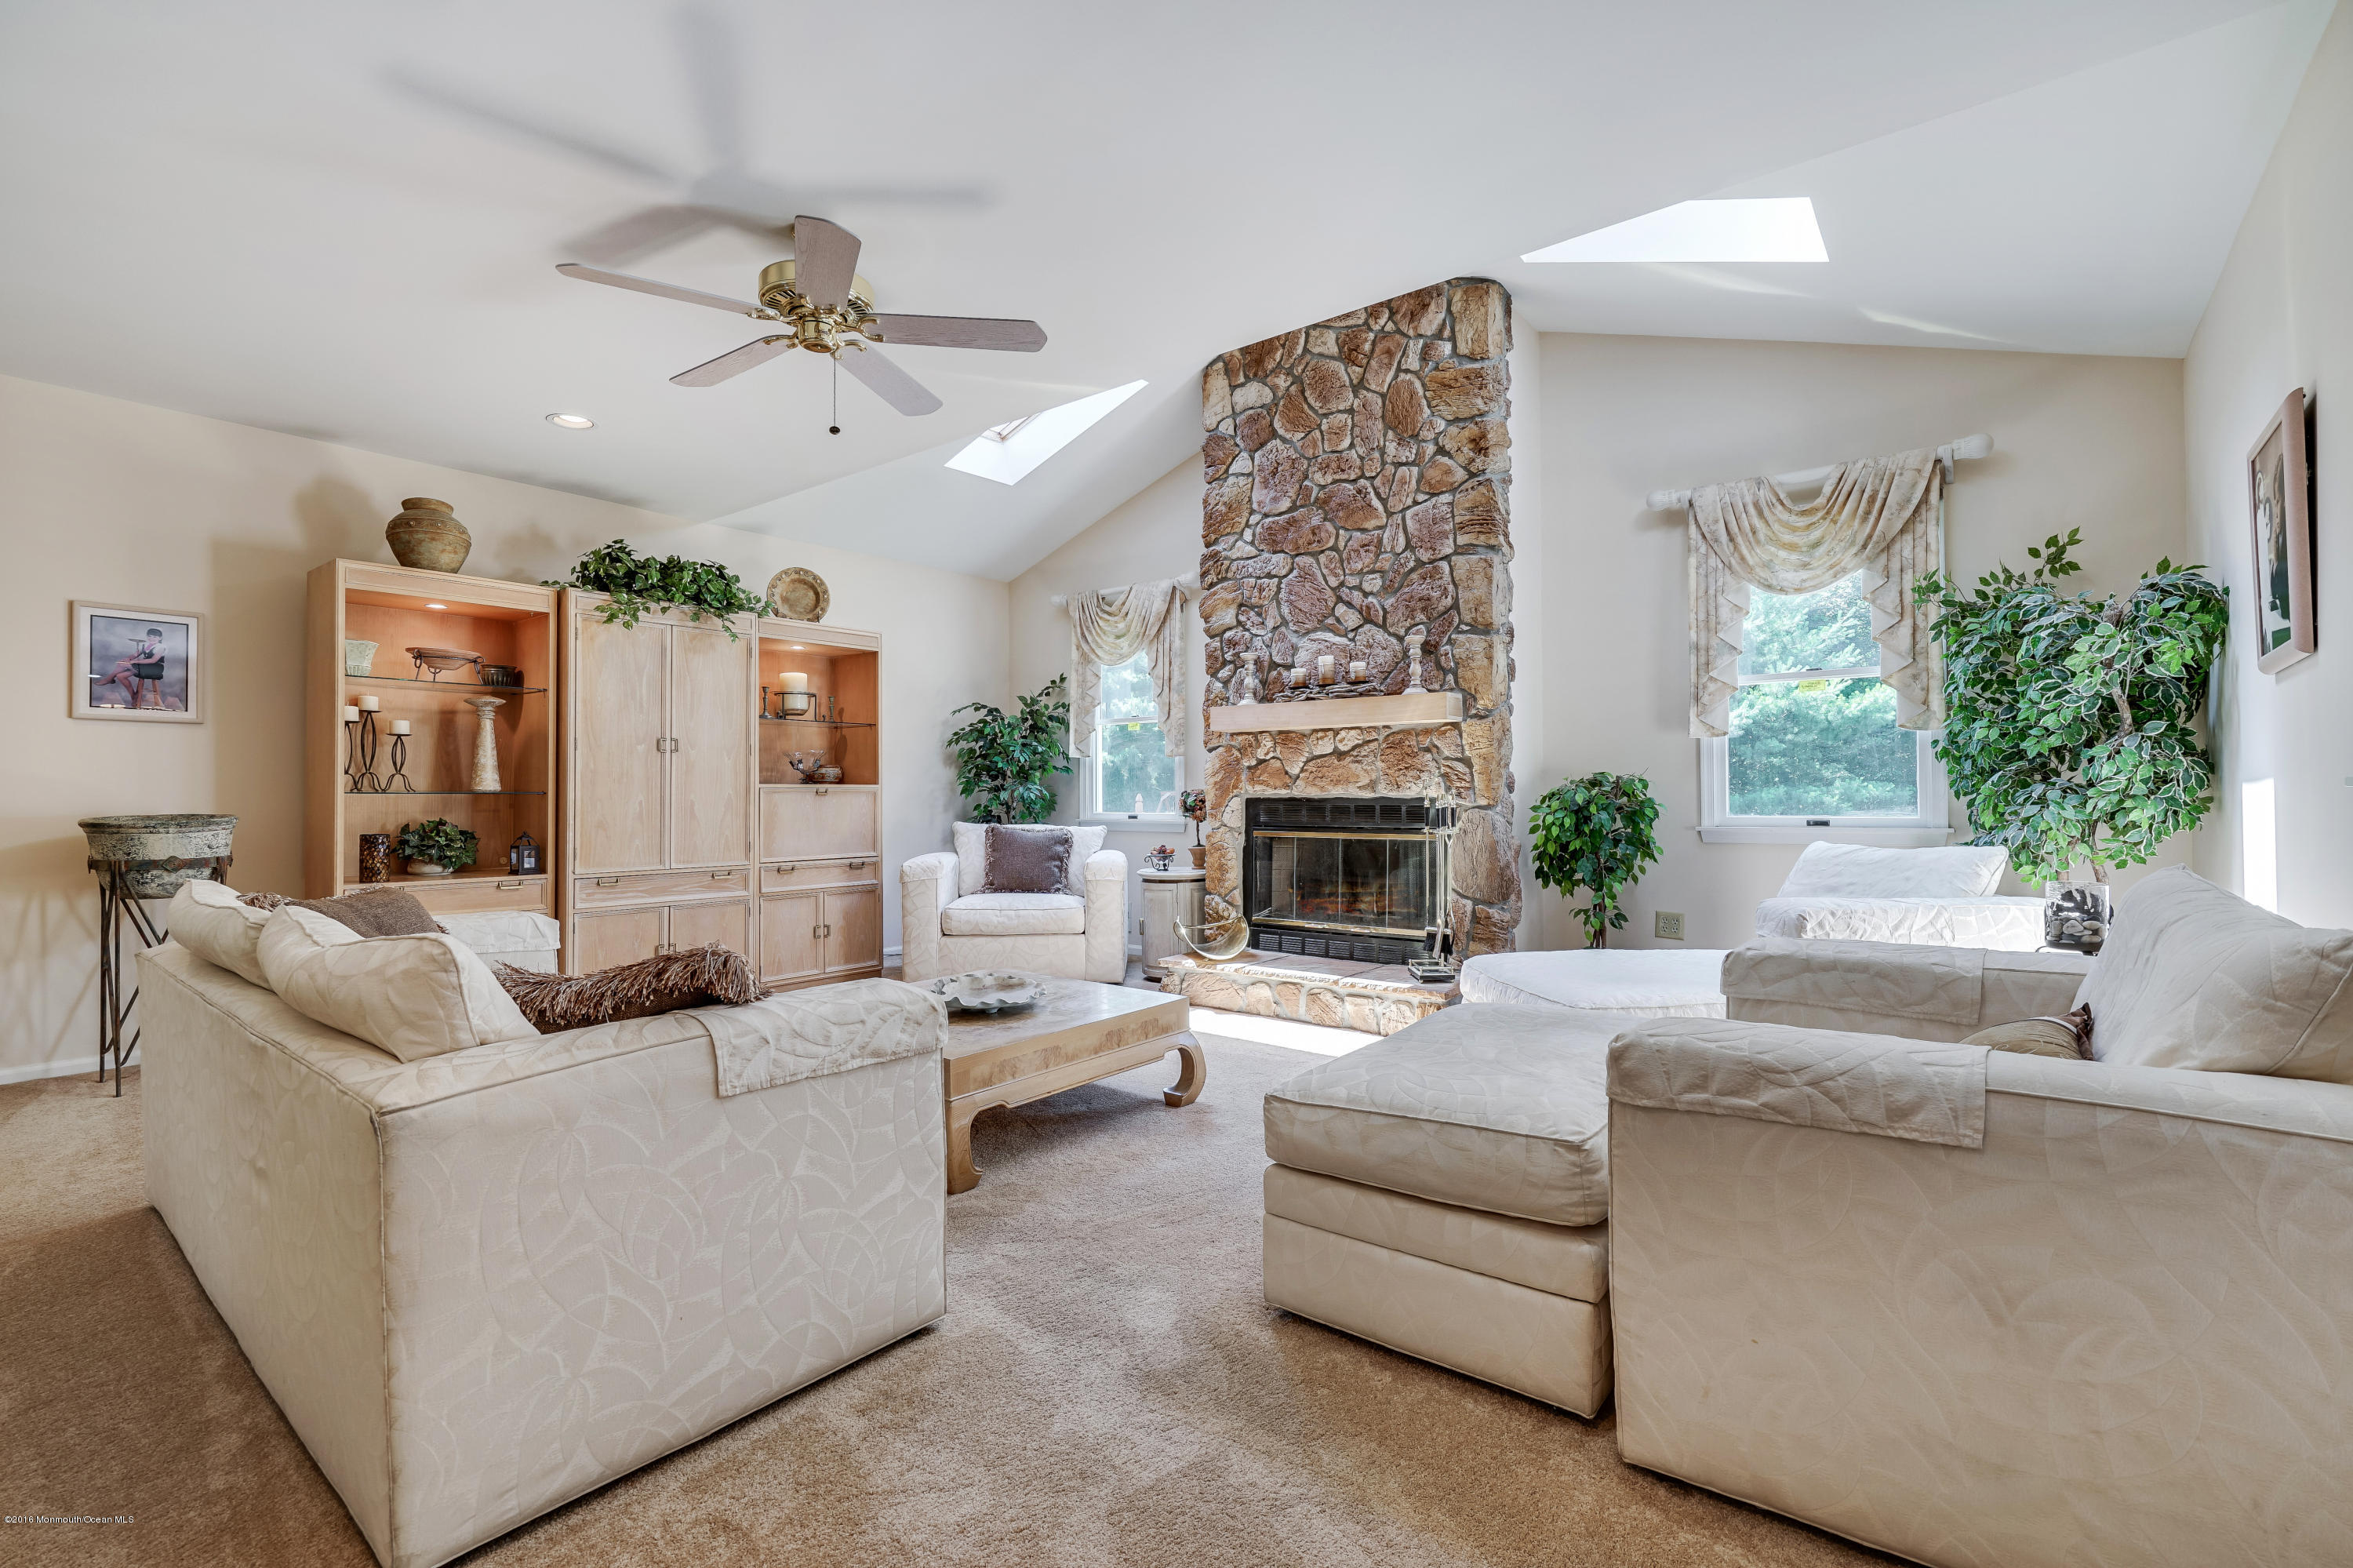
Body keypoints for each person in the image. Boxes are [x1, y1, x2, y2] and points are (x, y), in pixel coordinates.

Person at [100, 626, 167, 708]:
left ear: (160, 638)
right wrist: (129, 658)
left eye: (154, 637)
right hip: (144, 666)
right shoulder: (147, 645)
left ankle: (109, 679)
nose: (151, 638)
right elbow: (135, 655)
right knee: (120, 676)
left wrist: (134, 661)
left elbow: (153, 660)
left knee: (121, 664)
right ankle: (134, 697)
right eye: (149, 636)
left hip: (155, 668)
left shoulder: (161, 647)